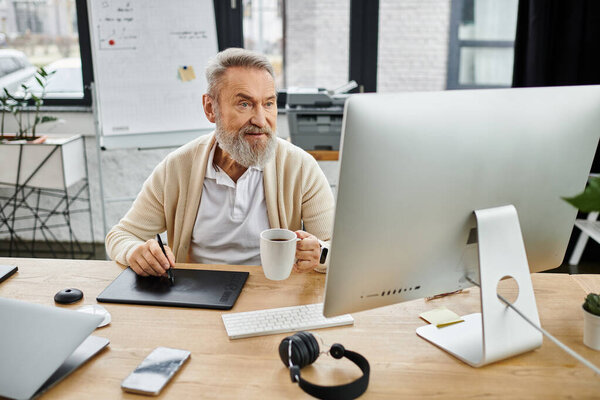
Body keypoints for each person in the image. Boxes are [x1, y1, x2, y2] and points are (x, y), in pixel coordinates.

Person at [105, 48, 335, 278]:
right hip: (199, 297)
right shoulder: (177, 168)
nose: (260, 119)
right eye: (244, 104)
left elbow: (337, 250)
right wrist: (135, 251)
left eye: (268, 104)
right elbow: (120, 236)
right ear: (210, 108)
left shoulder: (301, 167)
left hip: (273, 293)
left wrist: (319, 254)